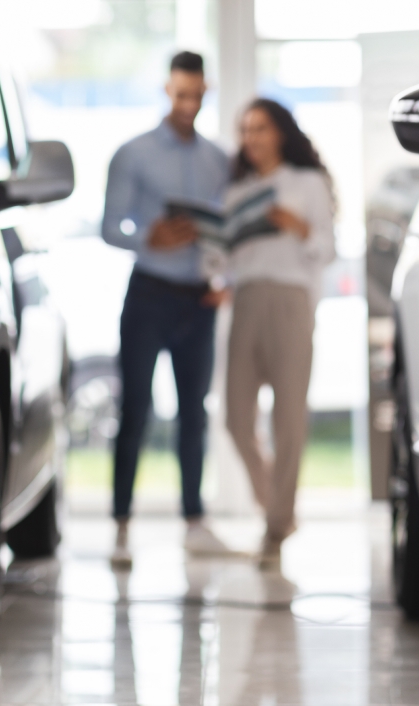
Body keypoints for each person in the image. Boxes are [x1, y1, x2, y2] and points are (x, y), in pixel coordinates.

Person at [101, 51, 231, 568]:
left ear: (205, 91)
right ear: (166, 90)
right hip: (149, 293)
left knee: (194, 413)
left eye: (197, 96)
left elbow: (230, 230)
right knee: (135, 409)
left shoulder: (218, 160)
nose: (189, 105)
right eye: (181, 95)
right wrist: (148, 236)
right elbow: (111, 227)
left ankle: (194, 522)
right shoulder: (132, 154)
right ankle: (121, 527)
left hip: (198, 299)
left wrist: (226, 277)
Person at [223, 98, 336, 568]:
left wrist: (299, 226)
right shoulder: (235, 193)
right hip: (245, 300)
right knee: (235, 416)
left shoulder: (308, 183)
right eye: (245, 129)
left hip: (291, 301)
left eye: (260, 128)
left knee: (288, 419)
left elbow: (327, 249)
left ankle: (274, 526)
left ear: (280, 132)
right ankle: (278, 507)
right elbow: (226, 258)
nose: (252, 138)